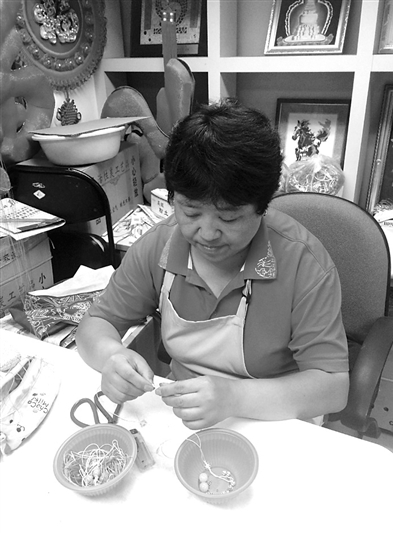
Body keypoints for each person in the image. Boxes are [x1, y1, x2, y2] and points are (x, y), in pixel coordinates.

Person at [76, 98, 349, 430]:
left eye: (229, 218)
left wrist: (234, 397)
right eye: (190, 212)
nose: (206, 234)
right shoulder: (160, 246)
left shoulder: (303, 264)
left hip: (277, 419)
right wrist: (111, 356)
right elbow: (96, 324)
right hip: (185, 417)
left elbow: (333, 387)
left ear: (263, 206)